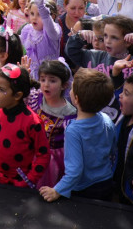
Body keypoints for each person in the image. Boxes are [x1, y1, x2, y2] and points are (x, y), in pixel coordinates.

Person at [40, 68, 116, 202]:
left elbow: (75, 171)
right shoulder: (106, 119)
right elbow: (112, 149)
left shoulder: (73, 130)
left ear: (76, 98)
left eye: (72, 87)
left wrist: (57, 190)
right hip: (106, 181)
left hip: (85, 189)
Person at [0, 64, 50, 187]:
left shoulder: (33, 122)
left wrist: (28, 181)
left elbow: (43, 154)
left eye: (1, 89)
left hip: (21, 185)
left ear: (17, 95)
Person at [25, 60, 77, 189]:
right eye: (42, 80)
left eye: (52, 81)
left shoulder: (70, 113)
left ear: (64, 85)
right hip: (29, 153)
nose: (46, 85)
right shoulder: (34, 97)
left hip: (51, 162)